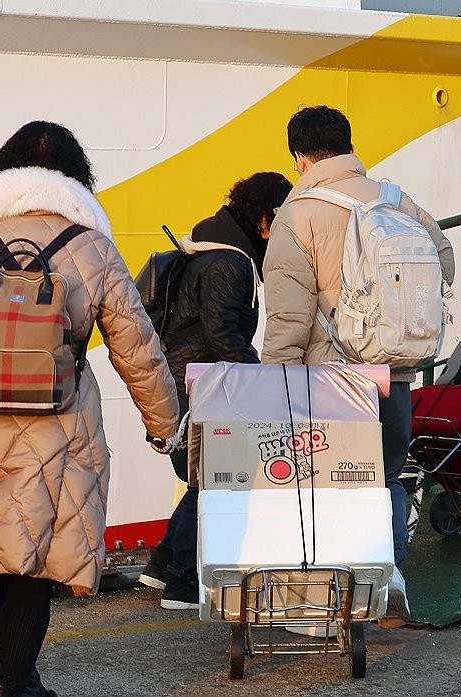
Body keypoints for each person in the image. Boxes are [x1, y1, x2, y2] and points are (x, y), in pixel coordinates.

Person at [0, 121, 179, 697]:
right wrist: (164, 423)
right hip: (60, 422)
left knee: (4, 543)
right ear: (76, 177)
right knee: (36, 547)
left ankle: (15, 673)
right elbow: (137, 347)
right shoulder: (92, 249)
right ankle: (12, 679)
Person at [260, 106, 455, 626]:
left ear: (300, 158)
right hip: (394, 376)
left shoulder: (297, 214)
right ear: (349, 147)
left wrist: (273, 383)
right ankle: (389, 571)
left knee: (329, 486)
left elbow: (288, 316)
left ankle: (331, 598)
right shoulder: (395, 199)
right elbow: (445, 260)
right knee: (388, 478)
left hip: (333, 380)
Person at [138, 171, 292, 610]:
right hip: (202, 387)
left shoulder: (205, 251)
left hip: (183, 381)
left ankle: (161, 564)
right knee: (210, 484)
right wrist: (262, 380)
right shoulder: (229, 262)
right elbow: (222, 332)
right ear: (265, 220)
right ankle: (182, 585)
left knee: (198, 479)